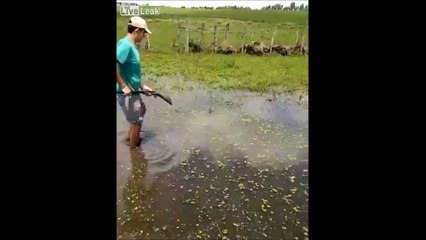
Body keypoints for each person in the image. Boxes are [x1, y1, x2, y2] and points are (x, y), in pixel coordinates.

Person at [117, 16, 154, 148]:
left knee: (140, 112)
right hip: (127, 93)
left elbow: (130, 72)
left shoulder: (131, 46)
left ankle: (130, 140)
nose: (144, 36)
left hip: (134, 90)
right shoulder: (126, 45)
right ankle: (134, 153)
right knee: (136, 120)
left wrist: (142, 86)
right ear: (137, 31)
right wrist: (123, 86)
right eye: (144, 33)